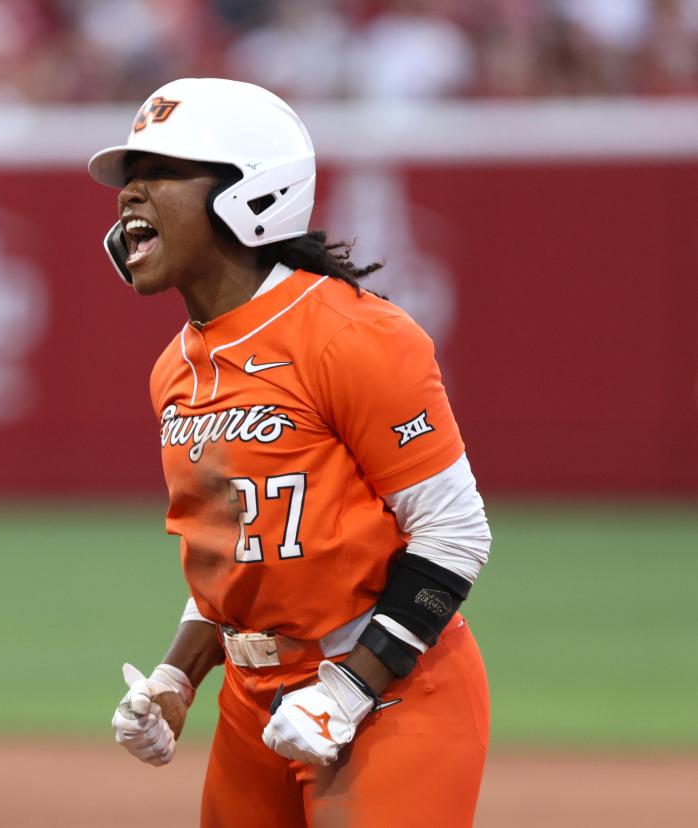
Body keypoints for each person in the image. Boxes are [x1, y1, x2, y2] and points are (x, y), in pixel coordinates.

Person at [90, 78, 492, 827]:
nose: (130, 195)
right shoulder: (174, 369)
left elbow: (456, 532)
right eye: (129, 177)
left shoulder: (352, 336)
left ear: (252, 192)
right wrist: (180, 675)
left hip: (392, 695)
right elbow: (245, 553)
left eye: (162, 172)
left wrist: (350, 689)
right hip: (256, 705)